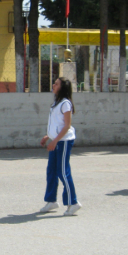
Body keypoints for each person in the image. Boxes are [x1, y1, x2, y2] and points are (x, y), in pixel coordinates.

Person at [39, 77, 81, 216]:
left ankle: (73, 202)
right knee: (51, 171)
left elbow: (67, 125)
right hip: (56, 140)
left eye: (56, 84)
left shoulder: (65, 104)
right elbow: (56, 124)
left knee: (63, 171)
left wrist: (55, 140)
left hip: (63, 142)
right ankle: (51, 201)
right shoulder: (56, 103)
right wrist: (48, 136)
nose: (53, 85)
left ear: (62, 87)